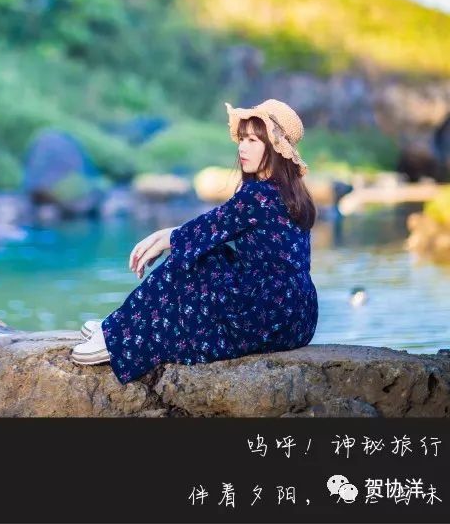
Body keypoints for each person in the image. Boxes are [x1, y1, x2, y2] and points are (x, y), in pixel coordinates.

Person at [71, 99, 319, 385]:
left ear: (275, 147)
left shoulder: (258, 195)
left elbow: (212, 224)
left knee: (192, 261)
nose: (242, 148)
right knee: (209, 253)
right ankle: (122, 324)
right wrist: (172, 236)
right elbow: (216, 228)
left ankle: (118, 336)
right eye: (241, 139)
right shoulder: (289, 192)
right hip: (299, 315)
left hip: (269, 311)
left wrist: (167, 238)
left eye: (253, 140)